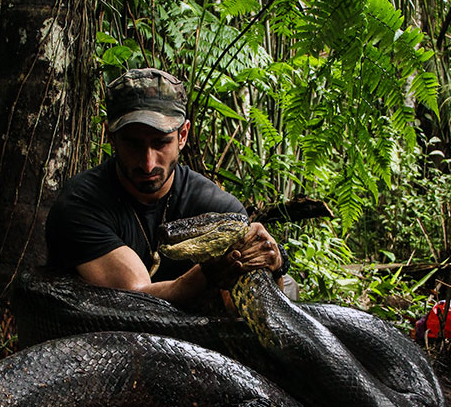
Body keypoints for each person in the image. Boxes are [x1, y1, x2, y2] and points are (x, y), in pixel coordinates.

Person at [45, 68, 289, 307]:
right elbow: (136, 299)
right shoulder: (79, 205)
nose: (148, 163)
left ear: (182, 135)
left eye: (161, 143)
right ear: (111, 136)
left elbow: (251, 311)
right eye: (133, 144)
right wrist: (205, 275)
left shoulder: (218, 208)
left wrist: (274, 263)